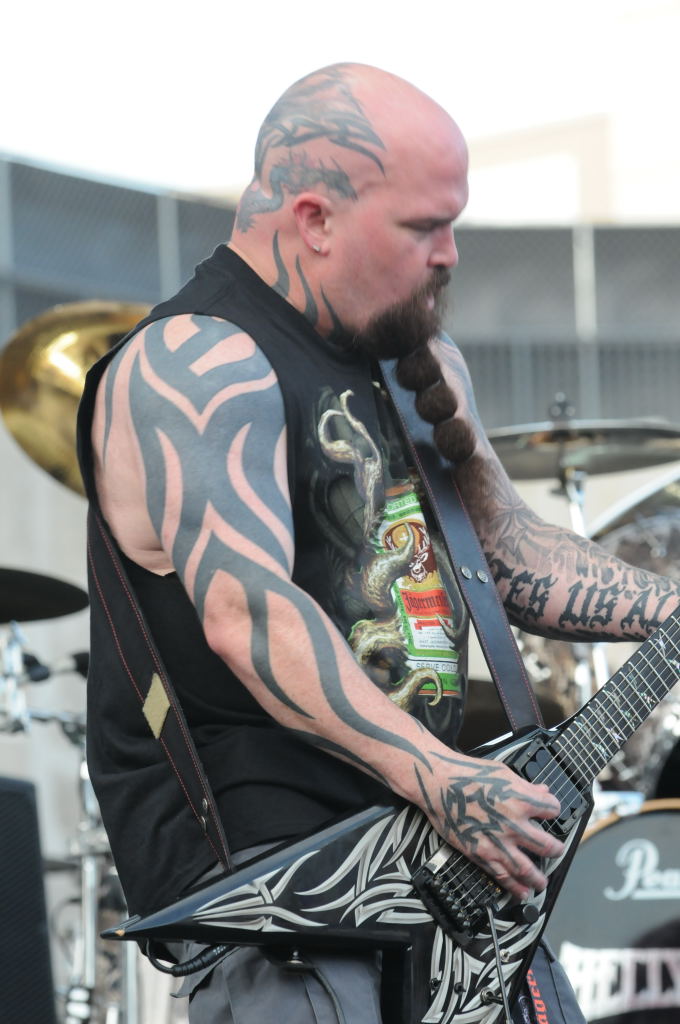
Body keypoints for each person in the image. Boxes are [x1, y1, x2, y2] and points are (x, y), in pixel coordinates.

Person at [77, 63, 680, 1023]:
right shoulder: (197, 364)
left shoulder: (408, 354)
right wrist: (442, 777)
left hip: (451, 879)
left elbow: (508, 556)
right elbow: (250, 614)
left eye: (454, 223)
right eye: (422, 227)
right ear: (316, 217)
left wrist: (671, 607)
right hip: (294, 901)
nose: (450, 254)